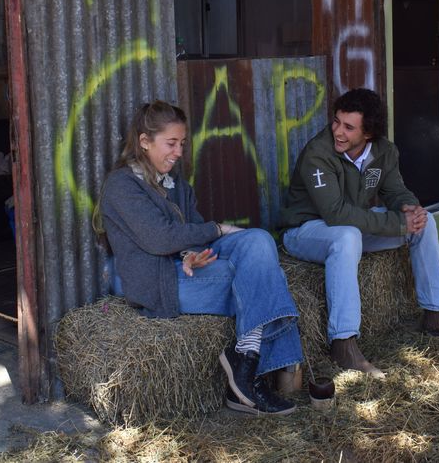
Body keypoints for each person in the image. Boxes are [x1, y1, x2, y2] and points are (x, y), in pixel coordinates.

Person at [98, 100, 302, 416]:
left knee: (258, 241)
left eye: (182, 143)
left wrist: (191, 253)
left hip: (183, 267)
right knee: (270, 278)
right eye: (171, 143)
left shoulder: (176, 183)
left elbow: (189, 232)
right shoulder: (122, 185)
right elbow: (158, 239)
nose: (179, 151)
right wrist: (216, 229)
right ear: (144, 142)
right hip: (156, 279)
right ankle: (260, 371)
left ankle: (244, 362)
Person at [281, 88, 439, 378]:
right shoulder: (318, 153)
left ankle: (437, 313)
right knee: (347, 236)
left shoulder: (384, 152)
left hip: (351, 227)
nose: (338, 131)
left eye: (349, 127)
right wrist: (398, 224)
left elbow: (395, 191)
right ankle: (343, 342)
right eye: (336, 121)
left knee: (427, 224)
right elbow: (335, 214)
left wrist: (410, 209)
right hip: (306, 230)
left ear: (369, 133)